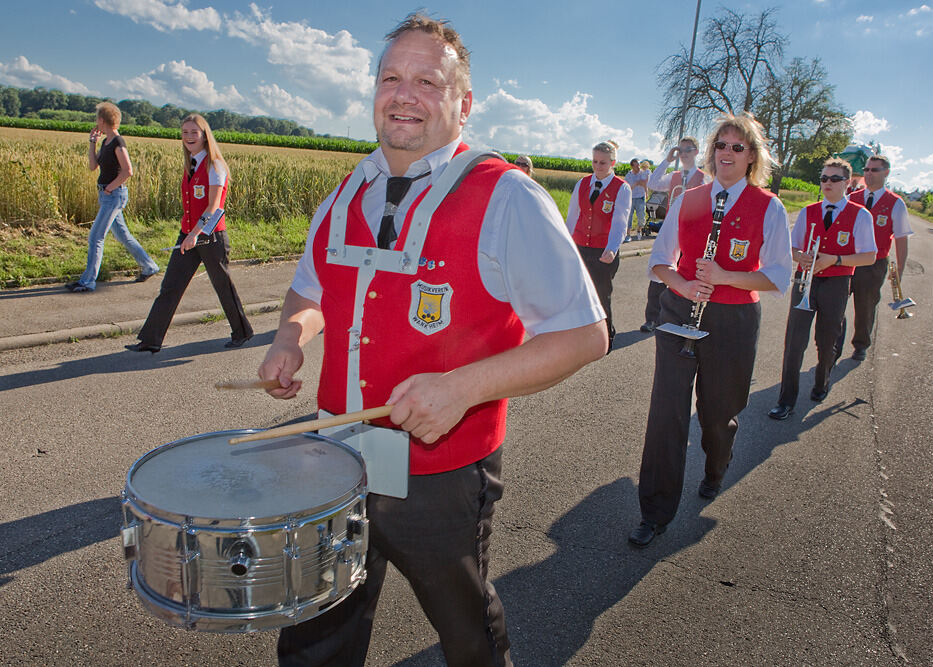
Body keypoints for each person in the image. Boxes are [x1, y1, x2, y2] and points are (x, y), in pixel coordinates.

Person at [257, 14, 607, 666]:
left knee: (467, 633)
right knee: (312, 632)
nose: (404, 93)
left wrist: (462, 387)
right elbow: (311, 291)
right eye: (391, 77)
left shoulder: (508, 197)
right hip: (338, 455)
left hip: (442, 473)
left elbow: (585, 333)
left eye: (427, 79)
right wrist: (290, 337)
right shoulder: (342, 195)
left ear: (462, 104)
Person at [628, 113, 793, 548]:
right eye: (721, 145)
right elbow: (659, 260)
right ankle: (655, 511)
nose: (727, 154)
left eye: (738, 147)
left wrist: (725, 276)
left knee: (719, 414)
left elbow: (778, 276)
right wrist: (681, 282)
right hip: (680, 310)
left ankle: (717, 463)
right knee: (667, 413)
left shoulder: (768, 206)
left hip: (733, 320)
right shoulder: (689, 198)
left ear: (752, 156)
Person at [125, 114, 253, 353]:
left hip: (210, 237)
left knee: (222, 286)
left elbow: (214, 205)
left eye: (194, 132)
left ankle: (242, 332)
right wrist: (188, 233)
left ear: (205, 136)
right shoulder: (191, 163)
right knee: (171, 286)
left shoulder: (214, 165)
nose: (188, 137)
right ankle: (151, 339)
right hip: (189, 234)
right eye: (185, 132)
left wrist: (194, 233)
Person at [768, 158, 876, 420]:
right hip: (806, 280)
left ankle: (822, 380)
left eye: (834, 179)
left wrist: (836, 260)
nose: (827, 183)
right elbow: (791, 248)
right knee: (794, 341)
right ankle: (786, 400)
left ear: (848, 183)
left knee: (827, 339)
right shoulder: (808, 211)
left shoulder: (861, 215)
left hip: (837, 282)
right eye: (824, 178)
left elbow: (869, 256)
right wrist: (799, 256)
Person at [65, 102, 159, 292]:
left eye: (97, 119)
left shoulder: (118, 142)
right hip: (108, 195)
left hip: (114, 195)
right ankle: (150, 266)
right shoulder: (107, 142)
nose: (96, 122)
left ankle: (87, 281)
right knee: (123, 235)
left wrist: (109, 188)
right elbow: (93, 166)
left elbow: (127, 171)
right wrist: (92, 142)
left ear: (102, 120)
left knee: (95, 237)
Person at [834, 154, 913, 361]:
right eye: (867, 170)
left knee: (865, 306)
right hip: (849, 260)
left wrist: (900, 273)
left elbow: (902, 239)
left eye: (874, 170)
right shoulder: (852, 198)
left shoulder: (895, 203)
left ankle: (861, 344)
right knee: (837, 303)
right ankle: (833, 344)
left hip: (874, 264)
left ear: (886, 173)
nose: (869, 174)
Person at [566, 140, 631, 351]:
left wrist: (612, 248)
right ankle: (580, 336)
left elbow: (621, 222)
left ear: (612, 163)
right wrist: (566, 243)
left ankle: (606, 337)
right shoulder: (583, 183)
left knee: (601, 295)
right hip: (580, 246)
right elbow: (572, 216)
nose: (598, 166)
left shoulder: (622, 188)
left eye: (603, 162)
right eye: (595, 161)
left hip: (603, 250)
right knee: (578, 293)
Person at [640, 136, 707, 332]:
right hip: (672, 230)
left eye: (688, 149)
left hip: (692, 231)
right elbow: (652, 183)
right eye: (681, 150)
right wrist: (668, 159)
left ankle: (678, 317)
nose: (684, 153)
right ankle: (652, 318)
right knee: (659, 273)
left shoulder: (703, 178)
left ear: (696, 152)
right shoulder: (674, 176)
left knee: (684, 274)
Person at [623, 157, 650, 242]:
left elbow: (646, 183)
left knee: (641, 217)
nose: (639, 167)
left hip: (641, 197)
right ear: (632, 166)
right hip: (630, 198)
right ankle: (628, 235)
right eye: (636, 166)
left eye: (639, 165)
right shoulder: (628, 176)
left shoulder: (643, 173)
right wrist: (637, 183)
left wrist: (646, 192)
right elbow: (628, 188)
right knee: (629, 217)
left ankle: (639, 229)